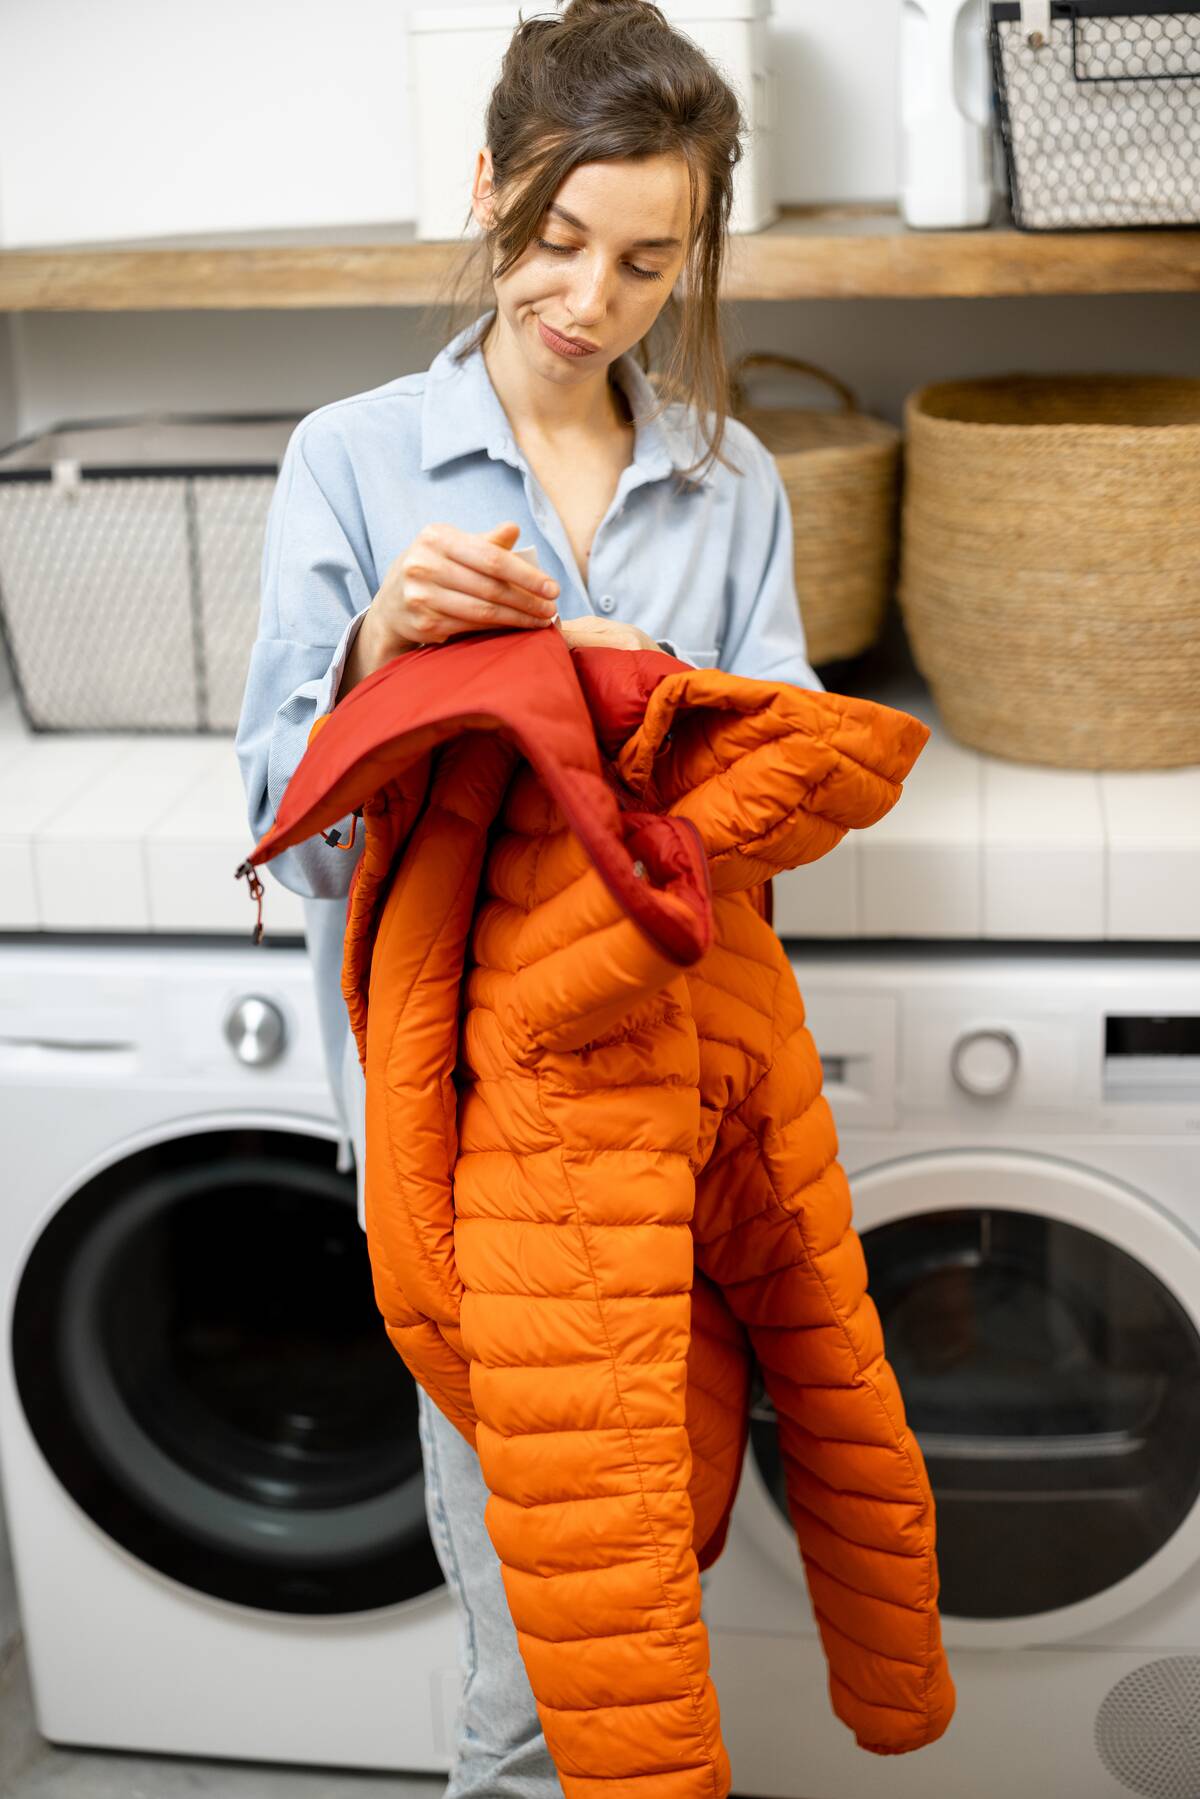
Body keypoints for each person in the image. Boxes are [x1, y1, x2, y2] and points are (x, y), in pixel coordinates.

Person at [235, 1, 823, 1791]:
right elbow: (278, 819)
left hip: (665, 1138)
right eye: (560, 240)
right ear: (488, 187)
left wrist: (650, 708)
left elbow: (780, 820)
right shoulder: (353, 463)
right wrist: (378, 653)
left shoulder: (732, 486)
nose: (592, 298)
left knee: (643, 1607)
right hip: (459, 1163)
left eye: (649, 263)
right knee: (532, 1666)